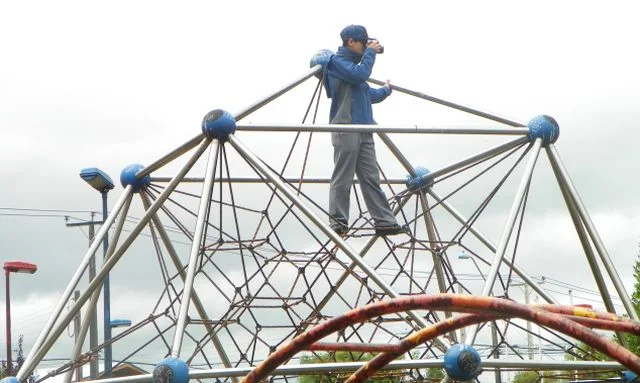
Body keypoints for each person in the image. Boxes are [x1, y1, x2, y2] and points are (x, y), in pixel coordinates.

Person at [325, 24, 404, 237]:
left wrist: (386, 91)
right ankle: (338, 221)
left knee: (370, 177)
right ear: (351, 42)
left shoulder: (353, 69)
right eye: (363, 42)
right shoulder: (337, 62)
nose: (365, 47)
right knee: (343, 175)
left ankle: (385, 221)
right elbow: (359, 75)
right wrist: (370, 53)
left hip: (364, 128)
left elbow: (368, 95)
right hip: (347, 126)